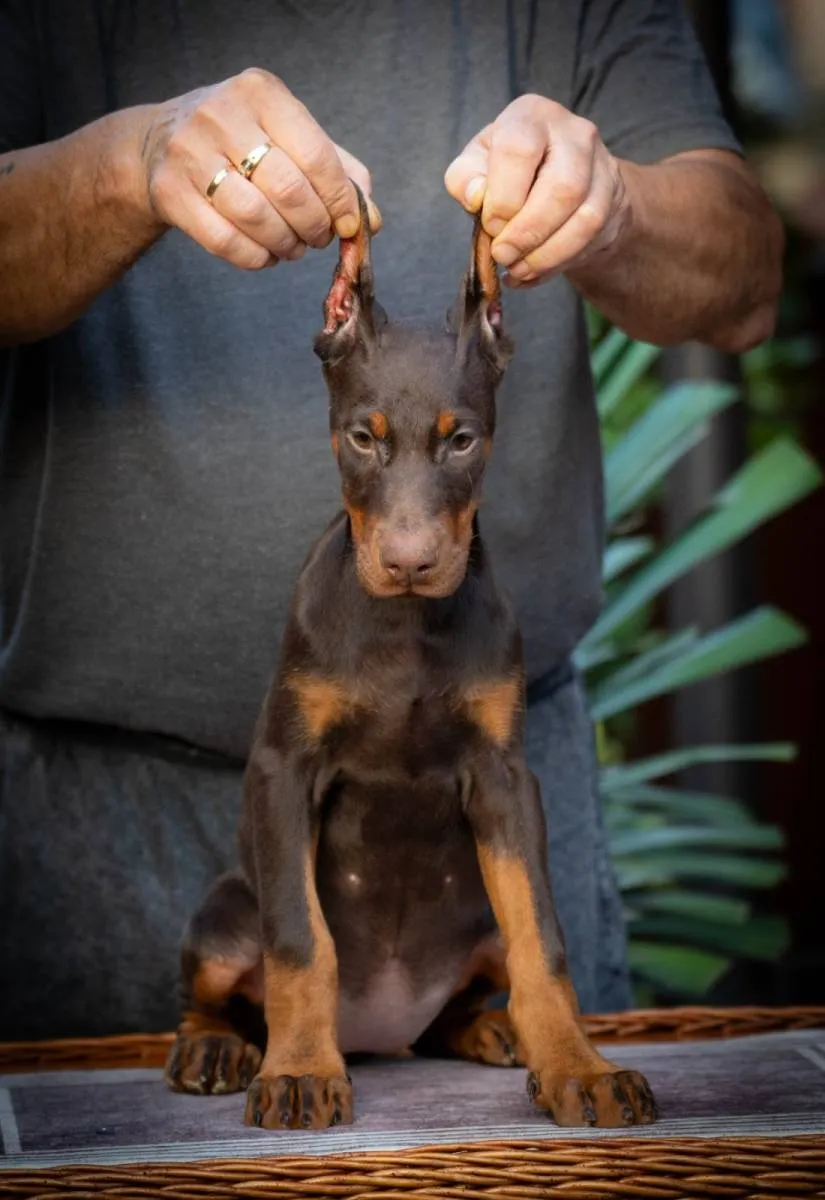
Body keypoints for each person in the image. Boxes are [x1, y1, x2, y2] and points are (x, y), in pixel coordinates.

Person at [0, 0, 782, 1041]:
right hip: (92, 807)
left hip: (489, 795)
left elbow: (745, 283)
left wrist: (620, 205)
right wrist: (124, 162)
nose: (410, 539)